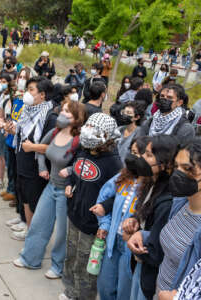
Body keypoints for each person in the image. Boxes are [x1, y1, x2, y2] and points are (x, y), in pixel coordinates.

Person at [13, 100, 86, 279]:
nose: (62, 113)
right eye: (63, 109)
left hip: (66, 193)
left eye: (68, 111)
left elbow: (82, 164)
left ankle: (58, 267)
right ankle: (30, 258)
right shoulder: (55, 131)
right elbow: (40, 150)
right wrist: (42, 168)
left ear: (77, 118)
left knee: (62, 233)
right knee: (38, 223)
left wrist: (69, 170)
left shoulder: (80, 141)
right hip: (50, 186)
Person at [60, 113, 122, 300]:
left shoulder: (114, 162)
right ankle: (70, 292)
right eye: (88, 127)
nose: (88, 133)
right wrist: (70, 183)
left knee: (86, 264)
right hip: (74, 214)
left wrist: (105, 206)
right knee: (71, 256)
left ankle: (83, 296)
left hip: (92, 224)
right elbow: (75, 169)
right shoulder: (83, 149)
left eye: (95, 130)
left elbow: (120, 192)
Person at [91, 136, 150, 300]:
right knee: (105, 287)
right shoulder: (122, 178)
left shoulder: (151, 187)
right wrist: (104, 224)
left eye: (138, 154)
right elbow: (104, 200)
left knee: (124, 291)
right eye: (131, 152)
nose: (132, 157)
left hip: (130, 248)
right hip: (112, 241)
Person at [156, 139, 201, 293]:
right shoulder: (182, 201)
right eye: (177, 167)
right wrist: (143, 236)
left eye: (188, 168)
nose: (178, 174)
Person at [122, 135, 179, 300]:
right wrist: (134, 219)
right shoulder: (150, 183)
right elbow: (144, 212)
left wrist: (131, 239)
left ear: (165, 163)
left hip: (150, 272)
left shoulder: (167, 200)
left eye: (148, 155)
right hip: (141, 266)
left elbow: (156, 252)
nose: (141, 158)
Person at [7, 76, 57, 240]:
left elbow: (56, 148)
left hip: (37, 168)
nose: (27, 94)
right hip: (22, 162)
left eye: (31, 90)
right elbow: (25, 135)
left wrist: (33, 147)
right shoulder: (28, 111)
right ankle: (29, 230)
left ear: (42, 95)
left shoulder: (50, 116)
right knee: (25, 199)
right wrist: (13, 130)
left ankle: (35, 236)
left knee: (35, 203)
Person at [0, 67, 30, 206]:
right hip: (10, 136)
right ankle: (10, 189)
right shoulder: (16, 95)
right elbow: (12, 114)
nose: (22, 80)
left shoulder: (29, 98)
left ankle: (17, 198)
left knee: (18, 170)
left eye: (25, 77)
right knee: (10, 166)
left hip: (19, 137)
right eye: (20, 77)